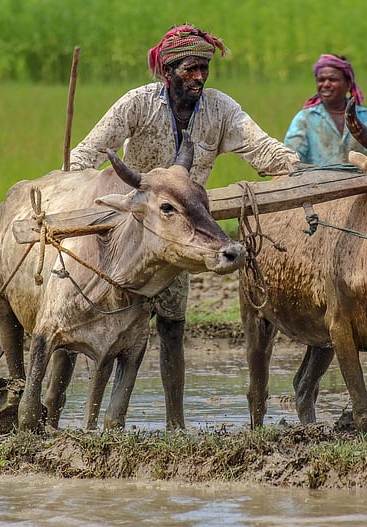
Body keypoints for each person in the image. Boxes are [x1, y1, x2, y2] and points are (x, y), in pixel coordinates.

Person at [68, 24, 302, 430]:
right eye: (190, 69)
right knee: (107, 323)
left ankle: (175, 424)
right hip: (129, 232)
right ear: (168, 71)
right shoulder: (137, 104)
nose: (198, 77)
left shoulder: (220, 110)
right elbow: (86, 154)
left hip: (179, 233)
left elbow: (261, 148)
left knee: (173, 327)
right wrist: (71, 191)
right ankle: (81, 416)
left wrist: (296, 170)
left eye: (203, 69)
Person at [284, 54, 367, 166]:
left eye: (333, 79)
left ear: (348, 84)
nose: (326, 84)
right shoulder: (304, 119)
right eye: (321, 80)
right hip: (318, 187)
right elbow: (290, 159)